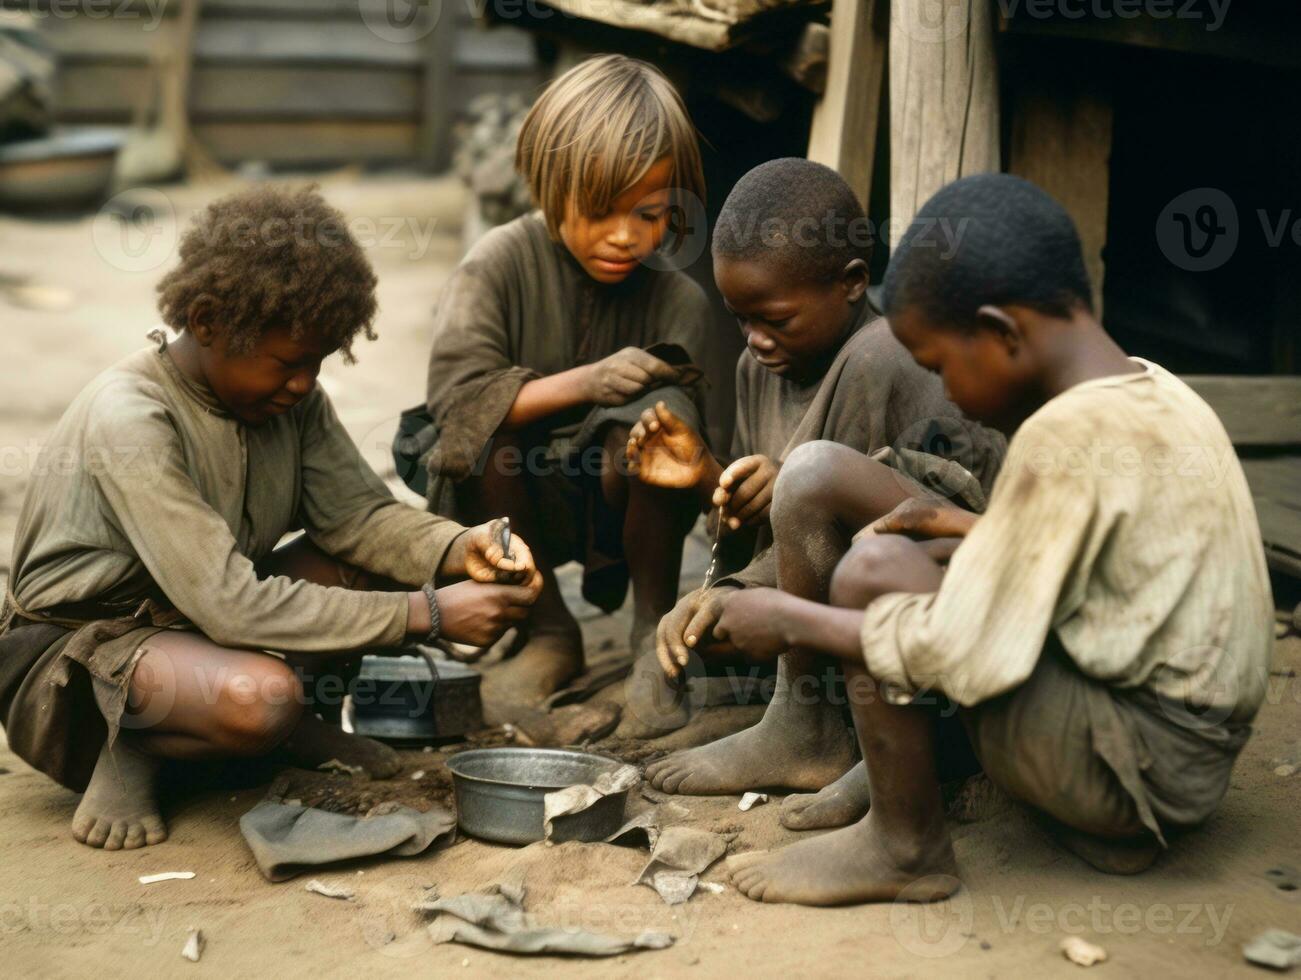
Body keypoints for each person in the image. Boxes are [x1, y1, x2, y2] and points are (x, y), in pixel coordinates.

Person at [701, 173, 1273, 905]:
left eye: (939, 365)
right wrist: (972, 529)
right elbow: (1106, 568)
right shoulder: (1151, 388)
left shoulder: (1061, 437)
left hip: (1137, 770)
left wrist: (786, 618)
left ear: (1002, 333)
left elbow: (963, 648)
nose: (948, 390)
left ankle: (903, 846)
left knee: (874, 571)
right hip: (1185, 758)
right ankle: (1087, 823)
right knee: (924, 553)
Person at [0, 184, 541, 851]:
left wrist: (461, 547)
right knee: (261, 697)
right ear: (206, 322)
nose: (303, 383)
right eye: (287, 363)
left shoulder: (291, 403)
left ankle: (296, 727)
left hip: (189, 620)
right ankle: (132, 746)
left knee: (360, 566)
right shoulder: (132, 418)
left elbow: (359, 519)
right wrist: (430, 612)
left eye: (317, 363)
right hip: (71, 663)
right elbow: (231, 605)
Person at [624, 158, 1004, 742]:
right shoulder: (757, 368)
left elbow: (875, 532)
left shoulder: (881, 359)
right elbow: (765, 532)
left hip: (909, 612)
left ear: (852, 282)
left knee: (728, 614)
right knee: (691, 637)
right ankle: (784, 701)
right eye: (740, 319)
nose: (755, 338)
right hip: (799, 600)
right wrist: (707, 476)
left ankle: (812, 726)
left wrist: (741, 590)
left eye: (775, 319)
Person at [416, 55, 711, 728]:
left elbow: (695, 446)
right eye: (599, 210)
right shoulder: (494, 265)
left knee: (654, 437)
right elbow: (455, 406)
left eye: (648, 213)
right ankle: (549, 630)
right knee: (484, 440)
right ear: (548, 184)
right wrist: (588, 381)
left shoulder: (677, 300)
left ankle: (650, 633)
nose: (624, 236)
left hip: (621, 502)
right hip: (515, 509)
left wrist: (635, 418)